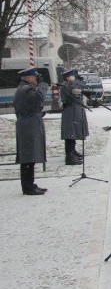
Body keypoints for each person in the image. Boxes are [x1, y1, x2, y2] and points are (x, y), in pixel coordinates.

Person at [14, 67, 48, 195]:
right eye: (34, 77)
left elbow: (35, 105)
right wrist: (43, 85)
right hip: (28, 126)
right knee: (28, 156)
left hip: (29, 123)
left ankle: (30, 184)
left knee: (30, 155)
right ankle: (28, 187)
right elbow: (39, 98)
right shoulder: (25, 89)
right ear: (27, 77)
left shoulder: (25, 89)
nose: (35, 79)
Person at [59, 68, 87, 165]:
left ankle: (72, 151)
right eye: (73, 76)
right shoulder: (67, 85)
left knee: (73, 132)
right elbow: (76, 89)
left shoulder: (71, 84)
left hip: (75, 110)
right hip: (70, 111)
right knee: (70, 133)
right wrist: (79, 81)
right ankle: (69, 155)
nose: (74, 78)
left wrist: (80, 81)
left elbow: (83, 86)